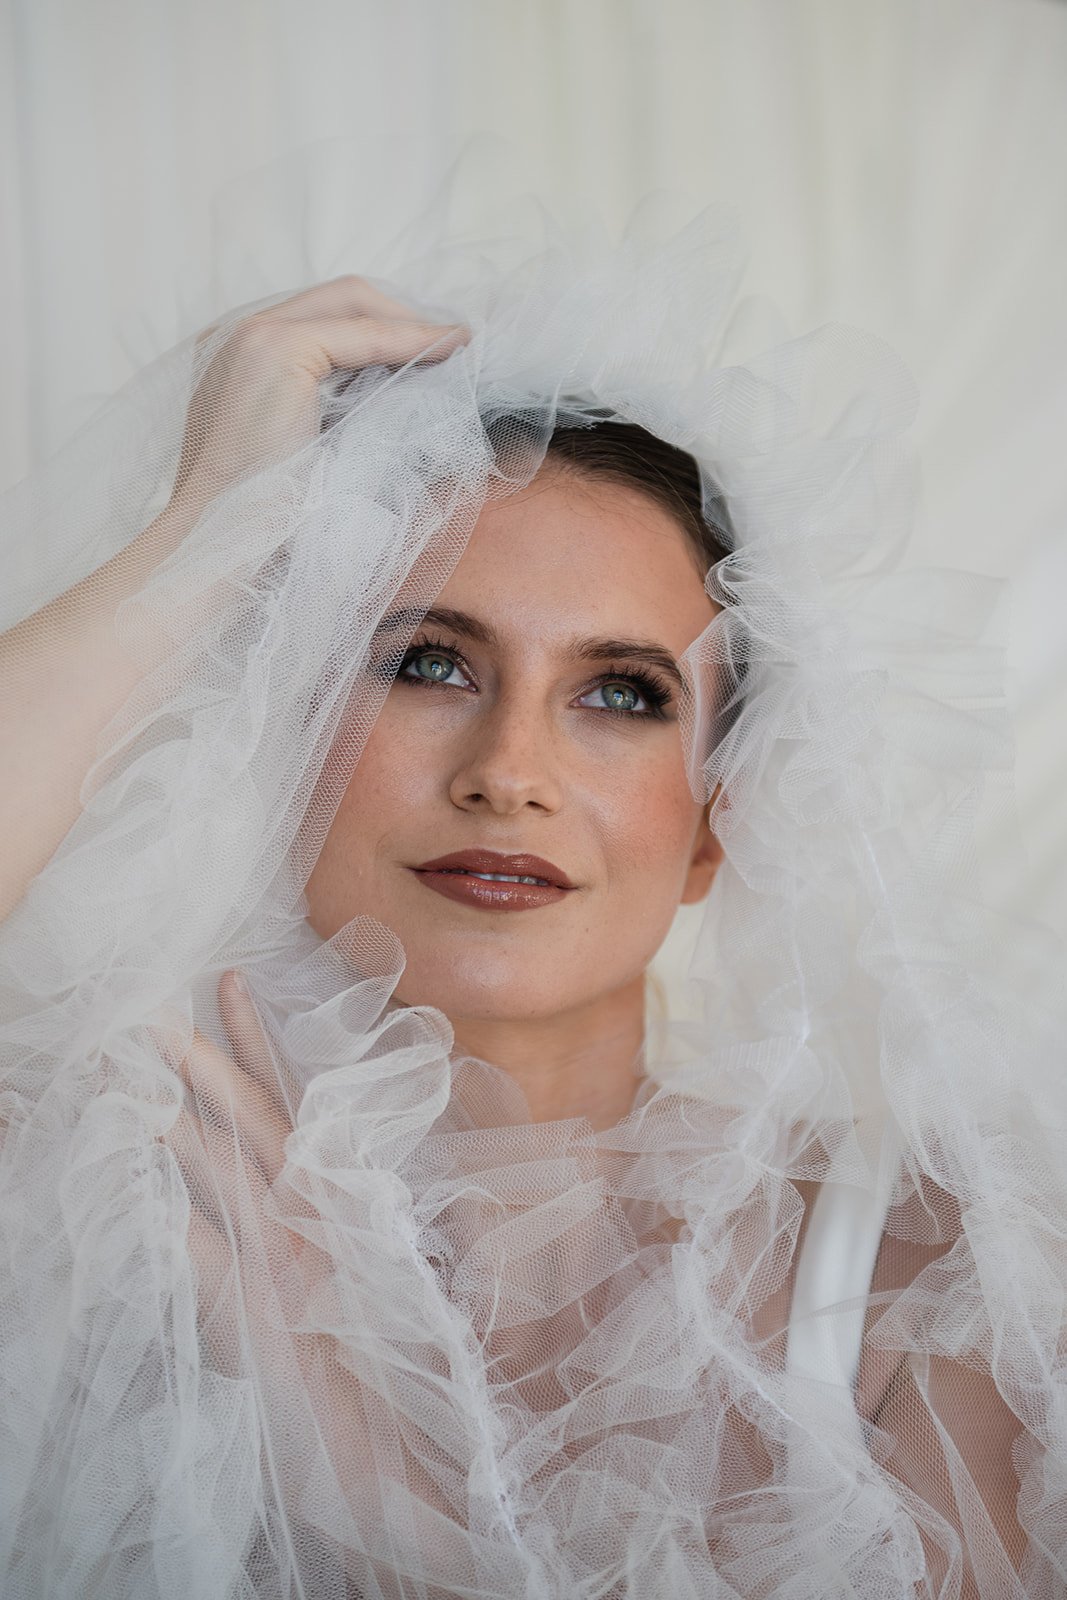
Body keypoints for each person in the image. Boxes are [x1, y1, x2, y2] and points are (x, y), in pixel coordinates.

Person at [0, 230, 1058, 1598]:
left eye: (621, 693)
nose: (509, 772)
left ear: (714, 825)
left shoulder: (925, 1294)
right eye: (429, 662)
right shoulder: (110, 1180)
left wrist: (369, 1468)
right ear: (287, 730)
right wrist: (208, 525)